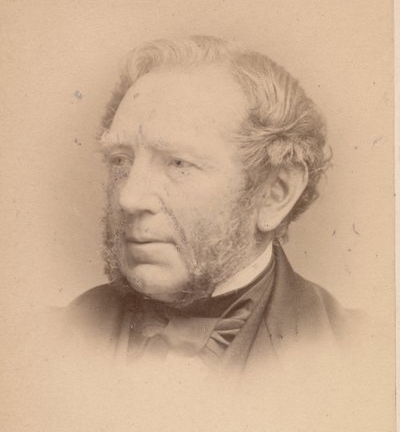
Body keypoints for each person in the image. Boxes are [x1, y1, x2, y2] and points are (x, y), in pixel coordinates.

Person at [63, 36, 362, 377]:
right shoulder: (33, 344)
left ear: (275, 193)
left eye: (178, 163)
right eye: (121, 160)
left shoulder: (369, 359)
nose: (129, 198)